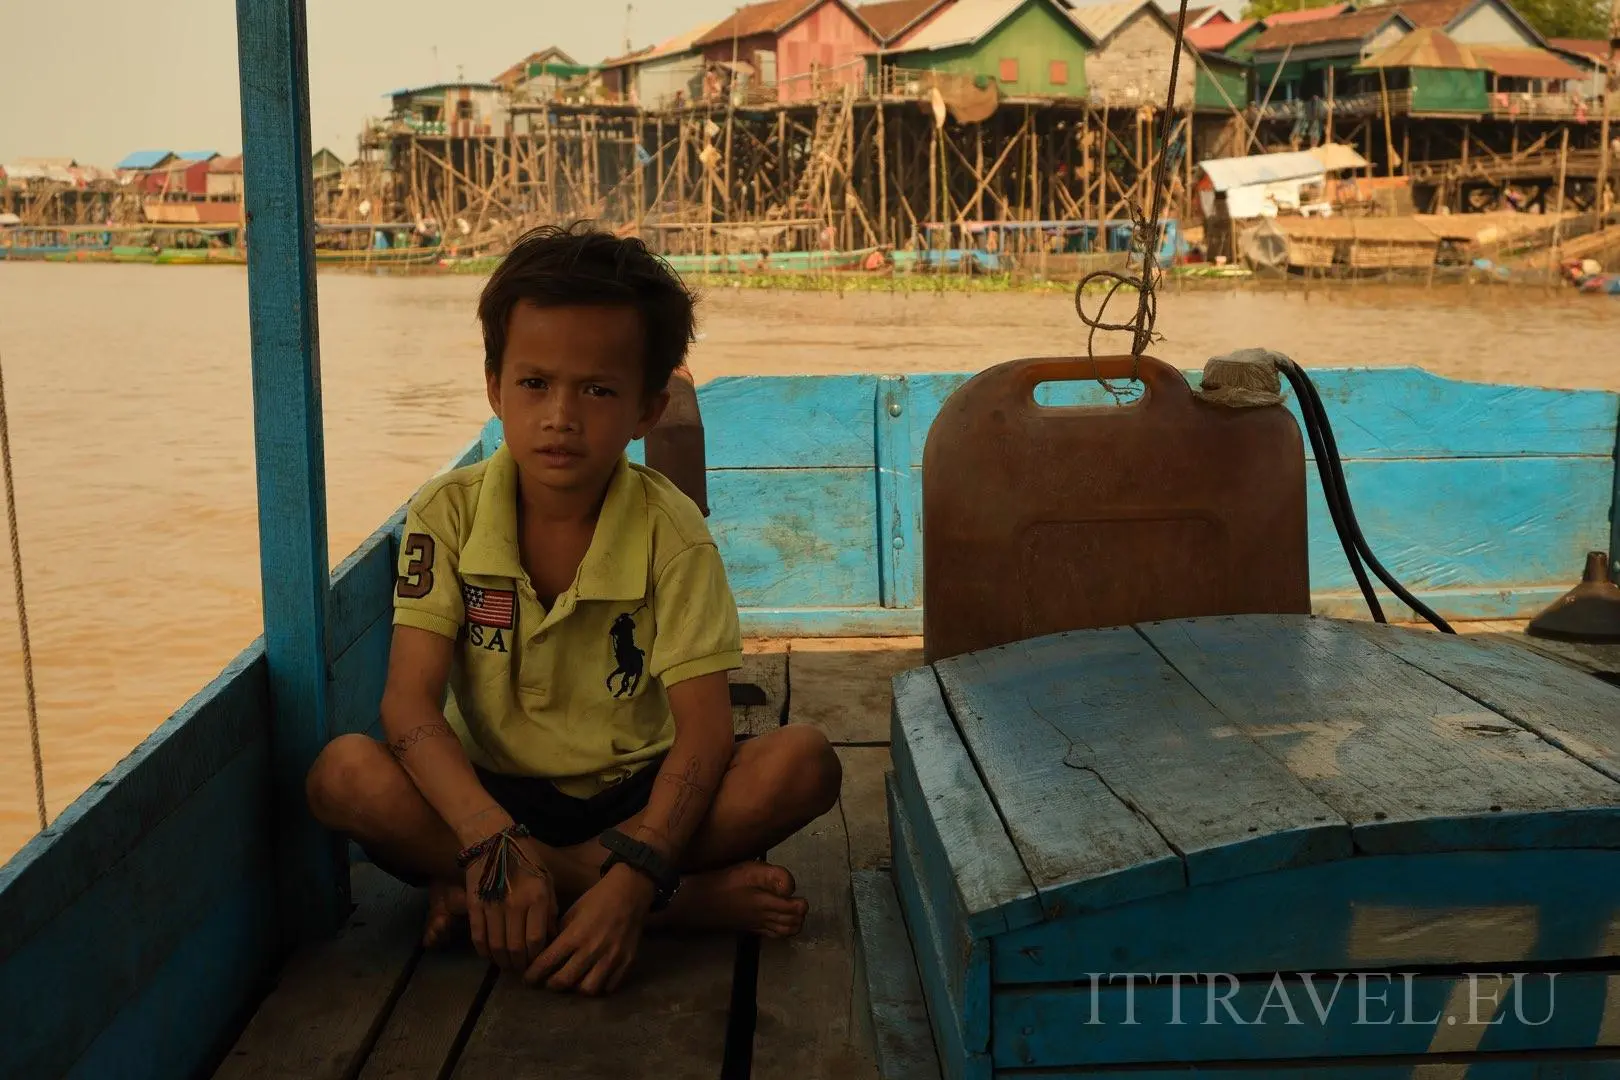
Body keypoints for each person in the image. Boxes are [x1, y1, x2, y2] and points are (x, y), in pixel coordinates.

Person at [304, 222, 842, 996]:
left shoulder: (672, 534)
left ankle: (555, 899)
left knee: (803, 763)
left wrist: (641, 863)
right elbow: (408, 703)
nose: (560, 415)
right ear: (495, 388)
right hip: (489, 793)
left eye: (596, 390)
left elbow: (703, 733)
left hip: (637, 790)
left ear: (647, 408)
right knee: (342, 776)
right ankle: (675, 906)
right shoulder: (445, 515)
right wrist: (490, 837)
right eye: (534, 384)